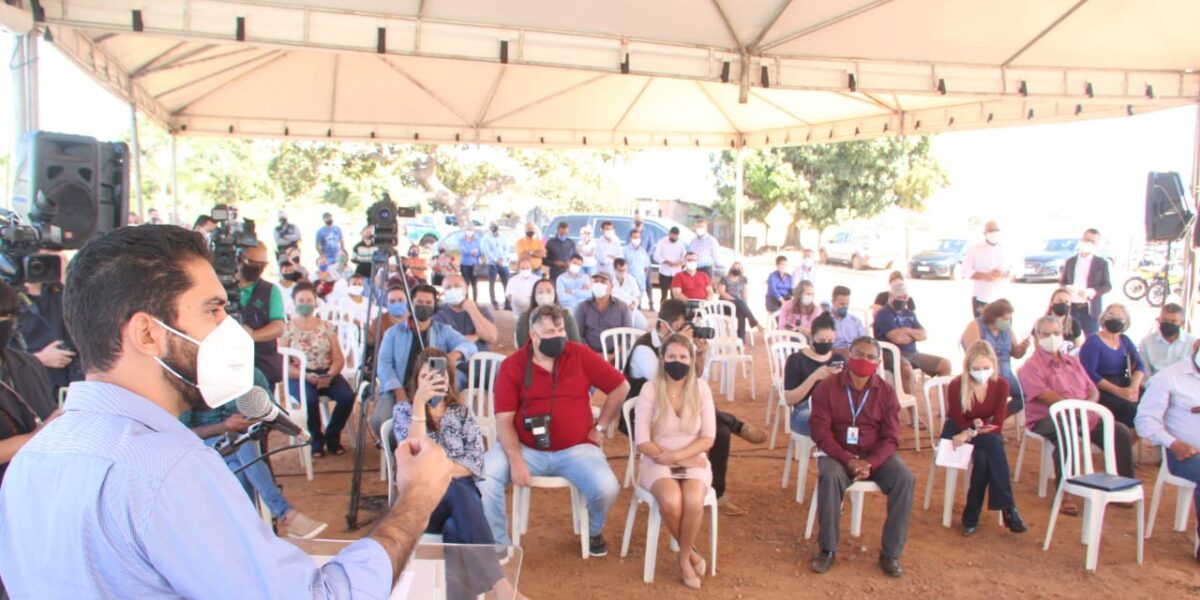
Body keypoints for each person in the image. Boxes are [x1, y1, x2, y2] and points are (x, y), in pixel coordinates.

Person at [0, 225, 454, 598]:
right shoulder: (165, 467)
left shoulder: (33, 459)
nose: (231, 329)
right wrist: (415, 498)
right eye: (213, 311)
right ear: (146, 334)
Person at [479, 305, 630, 556]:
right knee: (484, 475)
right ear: (533, 335)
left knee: (607, 488)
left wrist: (601, 426)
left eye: (560, 329)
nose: (558, 336)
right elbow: (504, 420)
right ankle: (499, 542)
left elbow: (620, 386)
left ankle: (592, 531)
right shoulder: (513, 365)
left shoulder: (579, 354)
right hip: (527, 448)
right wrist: (516, 460)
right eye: (550, 331)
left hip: (577, 447)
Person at [393, 349, 527, 600]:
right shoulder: (404, 412)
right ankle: (499, 583)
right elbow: (413, 457)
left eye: (438, 376)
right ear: (416, 380)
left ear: (449, 380)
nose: (432, 381)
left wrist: (437, 470)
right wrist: (420, 405)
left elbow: (476, 462)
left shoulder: (462, 413)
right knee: (456, 488)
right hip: (421, 505)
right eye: (426, 376)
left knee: (455, 525)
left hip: (460, 504)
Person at [625, 299, 767, 516]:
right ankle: (734, 423)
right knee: (713, 420)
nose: (685, 332)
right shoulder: (644, 348)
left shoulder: (682, 348)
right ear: (664, 325)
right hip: (649, 413)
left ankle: (717, 493)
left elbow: (694, 382)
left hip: (680, 407)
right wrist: (682, 345)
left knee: (719, 431)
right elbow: (667, 382)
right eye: (682, 327)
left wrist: (698, 353)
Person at [808, 336, 915, 578]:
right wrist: (848, 459)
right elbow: (820, 433)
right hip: (838, 452)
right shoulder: (827, 388)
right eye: (858, 354)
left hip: (874, 454)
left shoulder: (886, 392)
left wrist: (871, 462)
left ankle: (891, 554)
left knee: (905, 479)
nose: (864, 361)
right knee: (830, 476)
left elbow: (892, 438)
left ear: (878, 362)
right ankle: (828, 550)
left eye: (870, 357)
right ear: (848, 355)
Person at [182, 370, 328, 539]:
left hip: (242, 444)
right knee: (242, 448)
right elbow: (181, 431)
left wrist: (260, 419)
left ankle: (252, 532)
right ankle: (284, 513)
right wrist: (224, 426)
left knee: (240, 463)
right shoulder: (191, 382)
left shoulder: (251, 374)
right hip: (204, 445)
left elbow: (273, 413)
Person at [1018, 315, 1135, 516]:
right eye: (1046, 334)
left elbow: (1093, 388)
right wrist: (1075, 409)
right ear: (1037, 338)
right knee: (1067, 435)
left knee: (1120, 432)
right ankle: (1066, 492)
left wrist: (1087, 406)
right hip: (1050, 418)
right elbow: (1046, 396)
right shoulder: (1030, 367)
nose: (1052, 338)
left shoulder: (1072, 361)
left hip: (1084, 415)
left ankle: (1121, 486)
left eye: (1056, 333)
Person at [634, 334, 716, 589]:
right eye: (671, 357)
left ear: (691, 360)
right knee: (671, 500)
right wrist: (667, 458)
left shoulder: (701, 388)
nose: (677, 362)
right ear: (662, 359)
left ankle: (682, 556)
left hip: (695, 460)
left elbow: (709, 437)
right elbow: (642, 441)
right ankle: (689, 554)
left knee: (692, 500)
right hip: (656, 459)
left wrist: (682, 457)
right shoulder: (650, 388)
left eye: (683, 357)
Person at [943, 342, 1027, 535]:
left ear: (993, 367)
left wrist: (974, 432)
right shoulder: (957, 385)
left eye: (986, 368)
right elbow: (957, 417)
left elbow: (998, 422)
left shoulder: (1001, 385)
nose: (982, 372)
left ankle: (971, 517)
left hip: (983, 432)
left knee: (983, 457)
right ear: (968, 368)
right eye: (977, 369)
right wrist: (969, 431)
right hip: (957, 432)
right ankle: (1008, 508)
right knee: (994, 446)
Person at [374, 284, 478, 436]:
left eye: (428, 303)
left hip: (432, 389)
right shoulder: (393, 333)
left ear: (435, 306)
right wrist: (398, 391)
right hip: (398, 389)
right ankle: (397, 453)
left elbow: (469, 346)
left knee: (438, 423)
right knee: (381, 421)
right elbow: (384, 365)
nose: (424, 306)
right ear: (411, 304)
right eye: (419, 303)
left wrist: (455, 355)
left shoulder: (443, 330)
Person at [1136, 339, 1200, 563]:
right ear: (1196, 346)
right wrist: (1174, 443)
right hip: (1184, 452)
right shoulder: (1169, 378)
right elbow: (1145, 421)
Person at [283, 282, 357, 457]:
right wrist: (306, 376)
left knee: (347, 396)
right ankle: (316, 440)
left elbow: (339, 358)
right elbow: (283, 364)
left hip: (327, 372)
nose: (305, 304)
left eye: (309, 300)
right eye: (301, 300)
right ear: (294, 302)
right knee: (309, 400)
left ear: (315, 302)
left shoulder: (326, 326)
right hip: (300, 375)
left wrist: (330, 375)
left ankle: (333, 435)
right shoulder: (288, 328)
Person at [0, 279, 58, 486]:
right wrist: (36, 437)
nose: (5, 323)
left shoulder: (27, 363)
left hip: (33, 487)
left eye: (10, 317)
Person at [873, 281, 950, 390]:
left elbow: (923, 335)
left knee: (945, 364)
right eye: (899, 297)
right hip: (892, 355)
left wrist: (905, 330)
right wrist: (913, 335)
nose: (902, 300)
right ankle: (911, 406)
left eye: (905, 297)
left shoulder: (909, 313)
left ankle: (944, 405)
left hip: (913, 354)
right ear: (890, 296)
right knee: (907, 370)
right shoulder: (883, 313)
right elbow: (897, 338)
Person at [1079, 303, 1145, 428]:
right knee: (1130, 409)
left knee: (1149, 402)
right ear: (1104, 318)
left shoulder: (1125, 340)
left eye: (1120, 318)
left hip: (1125, 385)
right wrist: (1119, 391)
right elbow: (1090, 374)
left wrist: (1133, 388)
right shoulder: (1093, 342)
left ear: (1126, 322)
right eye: (1111, 315)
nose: (1115, 320)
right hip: (1103, 389)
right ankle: (1123, 443)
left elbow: (1139, 366)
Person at [16, 275, 82, 396]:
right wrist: (38, 359)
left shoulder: (61, 293)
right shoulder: (7, 296)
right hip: (25, 393)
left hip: (65, 388)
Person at [961, 298, 1030, 413]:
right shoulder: (976, 326)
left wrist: (1023, 347)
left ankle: (998, 419)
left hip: (1007, 373)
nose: (1007, 322)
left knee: (1023, 396)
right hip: (985, 373)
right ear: (993, 317)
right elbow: (974, 353)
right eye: (1005, 319)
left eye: (1009, 318)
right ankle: (991, 419)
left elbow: (1016, 354)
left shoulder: (1007, 329)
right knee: (992, 396)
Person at [236, 241, 286, 388]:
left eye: (262, 265)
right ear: (239, 259)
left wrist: (250, 336)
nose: (258, 268)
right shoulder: (222, 288)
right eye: (252, 263)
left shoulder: (271, 291)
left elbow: (278, 327)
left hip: (262, 363)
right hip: (228, 365)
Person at [783, 314, 842, 437]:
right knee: (824, 424)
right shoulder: (796, 360)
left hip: (835, 408)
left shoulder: (839, 359)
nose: (826, 344)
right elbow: (789, 399)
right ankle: (829, 454)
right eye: (821, 341)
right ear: (812, 337)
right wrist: (814, 377)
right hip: (805, 409)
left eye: (830, 341)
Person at [1058, 228, 1111, 336]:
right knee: (1068, 339)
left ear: (1097, 244)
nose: (1088, 243)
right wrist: (1068, 288)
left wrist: (1089, 292)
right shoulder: (1071, 261)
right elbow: (1062, 282)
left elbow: (1107, 286)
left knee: (1093, 340)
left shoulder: (1101, 263)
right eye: (1086, 239)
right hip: (1071, 308)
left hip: (1090, 310)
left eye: (1092, 241)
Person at [434, 274, 498, 352]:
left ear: (466, 288)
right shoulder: (439, 313)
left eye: (457, 286)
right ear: (443, 291)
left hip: (480, 360)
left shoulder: (481, 310)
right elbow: (444, 343)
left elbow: (491, 337)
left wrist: (473, 310)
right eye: (448, 288)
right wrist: (477, 336)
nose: (453, 290)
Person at [575, 271, 632, 354]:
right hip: (588, 355)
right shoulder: (582, 307)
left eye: (603, 282)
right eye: (596, 281)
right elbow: (578, 336)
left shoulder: (622, 307)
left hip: (615, 356)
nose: (598, 285)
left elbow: (627, 338)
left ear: (611, 287)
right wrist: (592, 356)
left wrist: (611, 356)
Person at [962, 221, 1011, 317]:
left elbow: (1019, 270)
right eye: (991, 230)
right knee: (981, 329)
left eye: (997, 230)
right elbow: (965, 271)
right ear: (985, 233)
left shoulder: (1008, 249)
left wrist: (1003, 274)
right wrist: (984, 276)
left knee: (1004, 330)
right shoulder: (975, 249)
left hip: (1003, 298)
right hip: (981, 297)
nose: (994, 233)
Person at [516, 279, 582, 348]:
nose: (544, 295)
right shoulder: (525, 318)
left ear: (554, 295)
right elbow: (522, 347)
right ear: (534, 296)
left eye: (548, 292)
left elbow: (576, 343)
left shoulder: (565, 315)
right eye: (540, 292)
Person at [1138, 302, 1193, 376]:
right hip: (1155, 384)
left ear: (1182, 323)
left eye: (1173, 321)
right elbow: (1143, 372)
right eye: (1164, 320)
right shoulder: (1147, 342)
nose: (1168, 324)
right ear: (1159, 320)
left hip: (1183, 385)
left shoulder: (1192, 343)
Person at [716, 261, 763, 340]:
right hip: (726, 305)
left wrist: (744, 306)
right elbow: (722, 293)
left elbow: (745, 294)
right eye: (736, 267)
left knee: (742, 311)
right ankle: (755, 323)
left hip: (739, 306)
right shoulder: (725, 279)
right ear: (731, 268)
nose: (738, 269)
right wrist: (734, 300)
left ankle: (741, 340)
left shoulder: (743, 279)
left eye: (740, 268)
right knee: (740, 302)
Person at [610, 258, 648, 329]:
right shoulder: (609, 280)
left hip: (629, 308)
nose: (623, 272)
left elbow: (637, 297)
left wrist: (634, 303)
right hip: (613, 309)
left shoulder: (631, 279)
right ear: (614, 270)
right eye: (620, 270)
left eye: (624, 270)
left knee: (643, 325)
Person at [653, 226, 687, 306]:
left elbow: (685, 257)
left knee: (674, 294)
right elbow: (656, 256)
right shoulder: (662, 242)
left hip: (676, 272)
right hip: (664, 271)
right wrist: (665, 261)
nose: (674, 237)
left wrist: (680, 263)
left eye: (676, 235)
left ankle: (673, 311)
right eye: (672, 235)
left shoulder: (680, 244)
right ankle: (662, 311)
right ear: (669, 234)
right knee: (664, 294)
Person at [481, 224, 512, 311]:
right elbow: (487, 251)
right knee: (492, 284)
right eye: (493, 230)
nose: (495, 232)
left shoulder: (504, 237)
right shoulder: (487, 238)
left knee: (506, 283)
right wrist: (496, 260)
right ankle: (494, 303)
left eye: (496, 230)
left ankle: (507, 303)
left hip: (503, 263)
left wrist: (502, 259)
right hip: (492, 264)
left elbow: (507, 249)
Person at [829, 286, 866, 353]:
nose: (845, 307)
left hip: (854, 354)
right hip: (833, 355)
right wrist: (840, 352)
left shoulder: (856, 321)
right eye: (842, 304)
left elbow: (864, 342)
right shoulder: (825, 321)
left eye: (847, 304)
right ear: (833, 302)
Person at [625, 229, 653, 310]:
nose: (636, 239)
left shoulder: (643, 251)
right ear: (630, 238)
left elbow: (646, 267)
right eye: (634, 237)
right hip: (629, 282)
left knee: (638, 306)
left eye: (638, 237)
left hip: (640, 282)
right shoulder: (625, 251)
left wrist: (643, 279)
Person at [457, 228, 482, 302]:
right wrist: (471, 252)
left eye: (471, 230)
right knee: (466, 283)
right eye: (468, 230)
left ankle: (475, 301)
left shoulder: (477, 240)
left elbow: (480, 252)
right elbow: (463, 251)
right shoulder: (461, 240)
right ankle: (466, 300)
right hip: (465, 264)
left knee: (474, 284)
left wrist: (476, 253)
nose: (469, 232)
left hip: (475, 265)